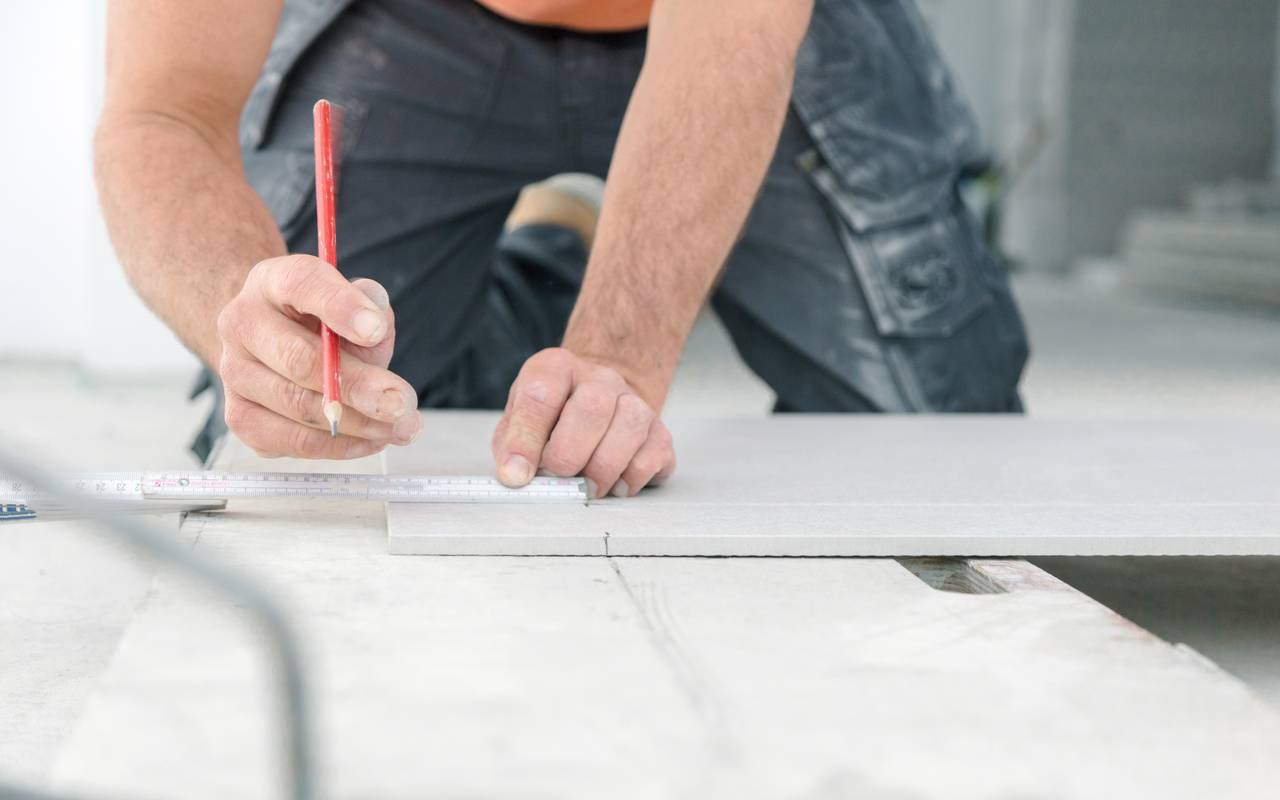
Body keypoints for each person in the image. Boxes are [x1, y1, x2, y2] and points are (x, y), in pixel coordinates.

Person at [95, 0, 1028, 499]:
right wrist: (245, 307)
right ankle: (546, 264)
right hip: (409, 24)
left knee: (943, 451)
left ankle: (559, 278)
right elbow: (162, 111)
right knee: (316, 422)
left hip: (743, 22)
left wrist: (616, 358)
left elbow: (732, 31)